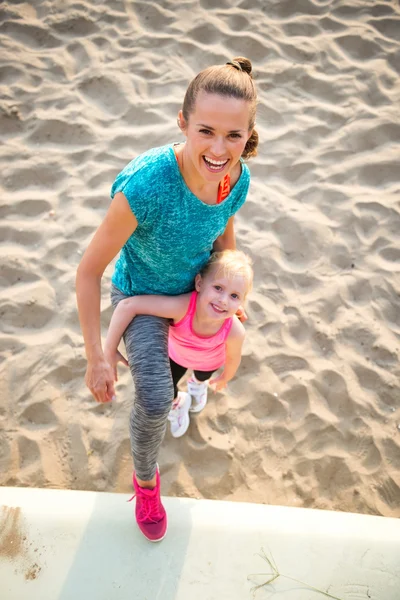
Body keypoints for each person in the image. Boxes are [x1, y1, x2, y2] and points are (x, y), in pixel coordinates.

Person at [75, 56, 259, 543]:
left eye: (233, 136)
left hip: (199, 290)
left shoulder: (234, 177)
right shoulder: (147, 186)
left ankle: (192, 387)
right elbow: (89, 270)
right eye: (205, 131)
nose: (219, 149)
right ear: (182, 123)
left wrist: (231, 290)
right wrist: (97, 356)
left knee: (213, 356)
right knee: (155, 399)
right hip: (142, 295)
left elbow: (224, 236)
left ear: (248, 134)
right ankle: (146, 483)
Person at [104, 250, 253, 439]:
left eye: (234, 296)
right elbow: (128, 306)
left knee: (202, 376)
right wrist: (109, 349)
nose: (223, 300)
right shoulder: (182, 307)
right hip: (176, 356)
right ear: (199, 283)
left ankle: (197, 384)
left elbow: (233, 357)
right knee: (168, 387)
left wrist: (225, 377)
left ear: (241, 302)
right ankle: (178, 401)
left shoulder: (235, 330)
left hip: (209, 362)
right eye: (217, 288)